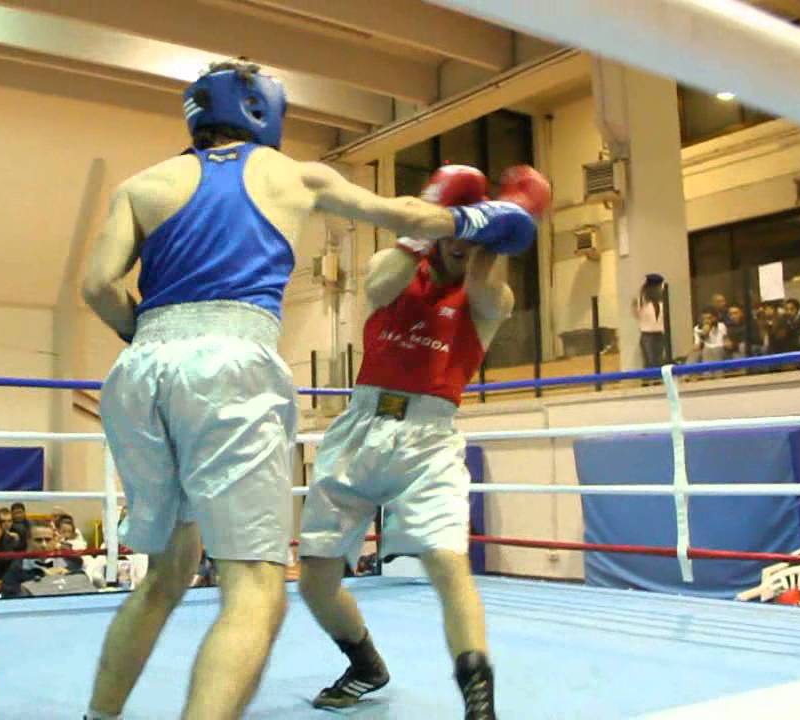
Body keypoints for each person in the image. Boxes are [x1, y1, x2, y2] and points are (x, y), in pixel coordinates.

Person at [80, 59, 541, 720]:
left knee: (165, 575)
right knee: (255, 587)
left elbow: (98, 286)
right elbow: (401, 213)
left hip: (142, 366)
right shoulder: (290, 172)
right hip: (230, 364)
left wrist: (152, 335)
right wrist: (477, 219)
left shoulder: (141, 185)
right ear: (261, 110)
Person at [297, 164, 548, 720]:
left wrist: (494, 230)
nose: (460, 243)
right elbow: (377, 285)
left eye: (472, 234)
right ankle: (365, 664)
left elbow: (485, 286)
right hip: (360, 428)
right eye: (453, 228)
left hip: (428, 442)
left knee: (447, 565)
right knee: (315, 580)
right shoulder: (393, 271)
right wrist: (430, 219)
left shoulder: (490, 298)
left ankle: (480, 704)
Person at [632, 274, 667, 368]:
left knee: (657, 361)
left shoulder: (661, 301)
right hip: (648, 334)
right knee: (651, 362)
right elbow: (636, 314)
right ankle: (650, 377)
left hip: (658, 334)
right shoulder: (642, 301)